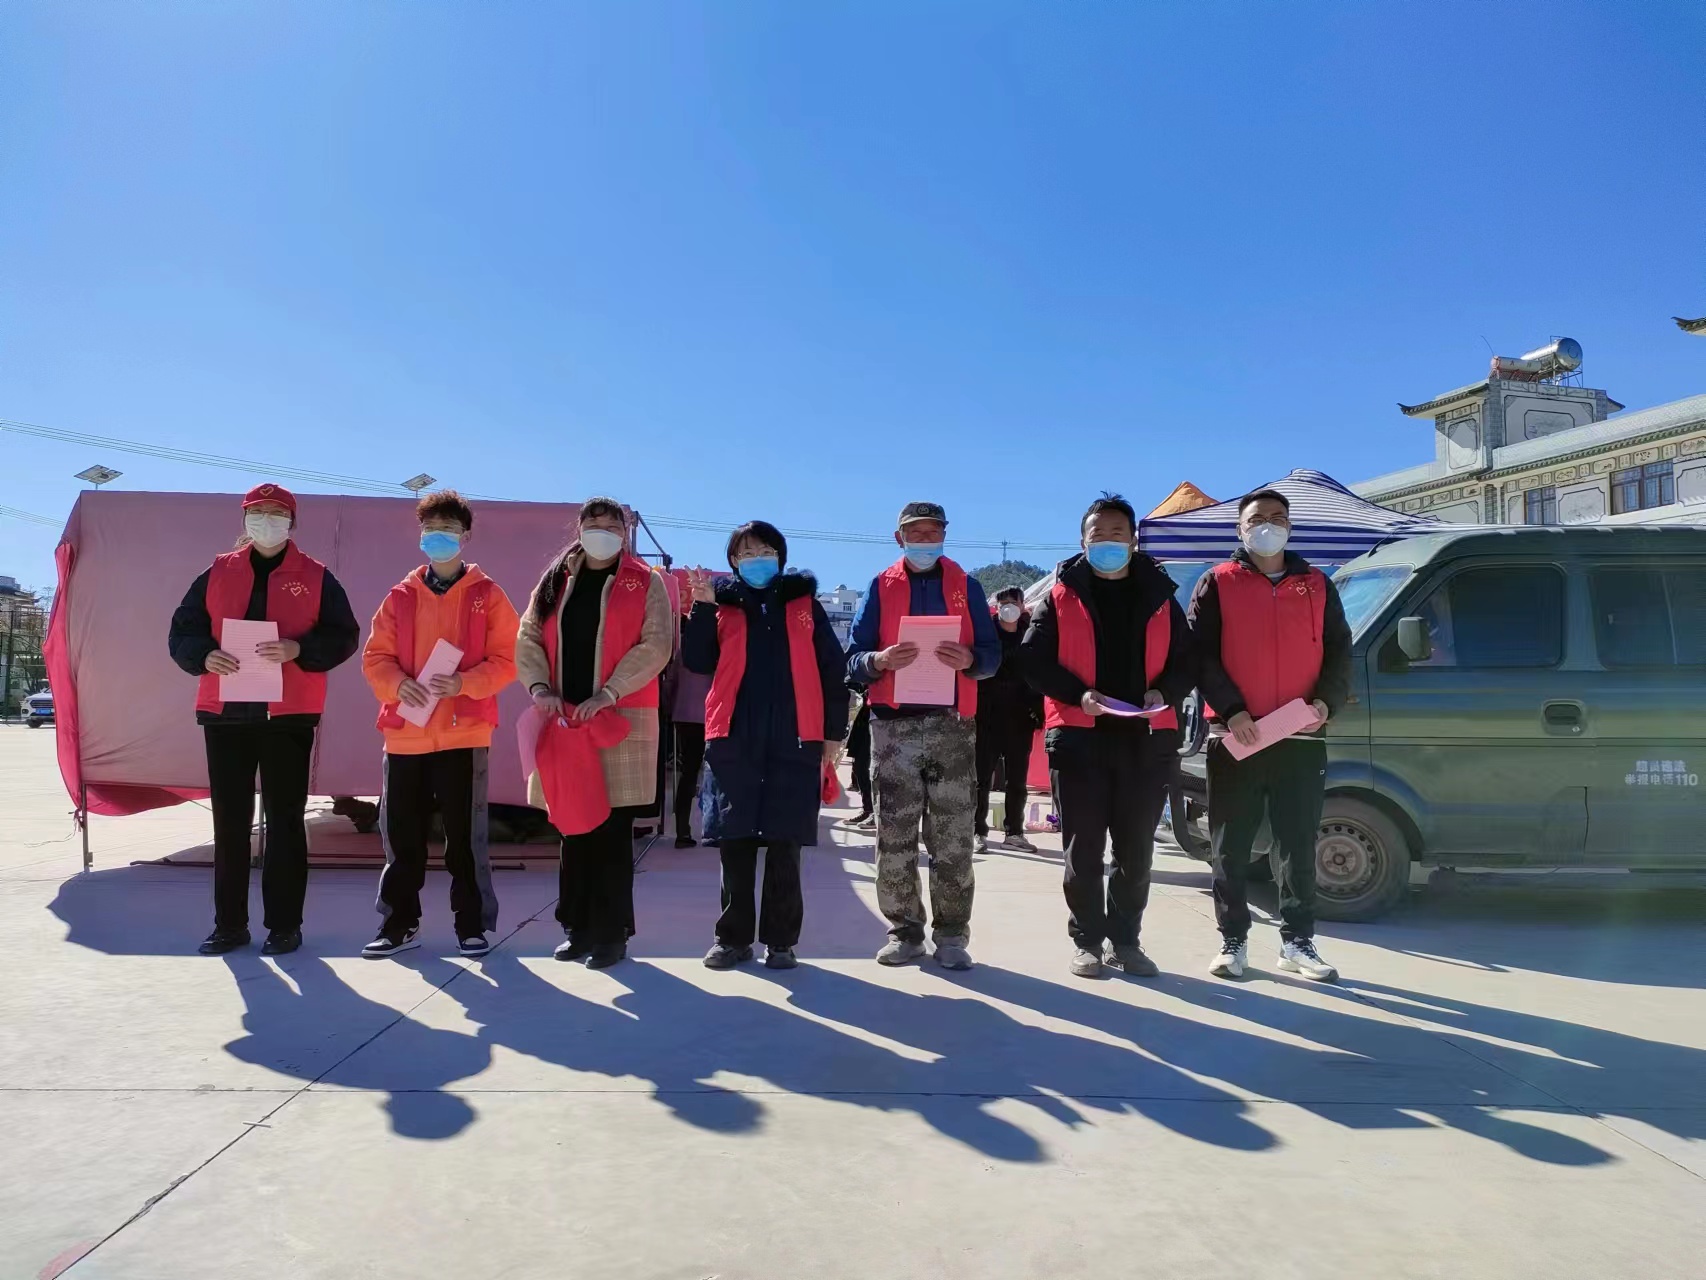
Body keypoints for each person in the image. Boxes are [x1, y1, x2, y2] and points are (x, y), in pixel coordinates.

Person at [167, 484, 361, 956]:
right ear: (244, 520)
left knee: (286, 821)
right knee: (230, 824)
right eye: (258, 513)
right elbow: (182, 631)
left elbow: (345, 635)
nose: (267, 521)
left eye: (276, 513)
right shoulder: (216, 571)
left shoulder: (316, 576)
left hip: (288, 716)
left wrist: (299, 649)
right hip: (225, 715)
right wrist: (204, 655)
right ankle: (229, 925)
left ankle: (284, 925)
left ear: (292, 522)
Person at [1021, 494, 1195, 980]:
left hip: (1145, 737)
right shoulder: (1060, 596)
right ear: (1083, 542)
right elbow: (1032, 662)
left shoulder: (1160, 596)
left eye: (1118, 533)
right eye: (1098, 535)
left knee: (1136, 850)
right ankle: (1087, 942)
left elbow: (1188, 660)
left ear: (1134, 540)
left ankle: (1126, 941)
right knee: (1083, 850)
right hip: (1081, 738)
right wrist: (1078, 695)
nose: (1108, 542)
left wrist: (1166, 691)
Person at [1187, 489, 1353, 982]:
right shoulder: (1217, 582)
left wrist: (1326, 703)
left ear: (1290, 527)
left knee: (1297, 842)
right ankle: (1233, 940)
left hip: (1301, 735)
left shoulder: (1317, 584)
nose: (1268, 525)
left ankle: (1298, 941)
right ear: (1239, 529)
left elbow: (1340, 651)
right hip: (1236, 735)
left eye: (1278, 518)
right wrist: (1232, 710)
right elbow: (1199, 655)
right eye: (1257, 518)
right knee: (1231, 844)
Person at [359, 490, 520, 959]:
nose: (438, 536)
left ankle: (472, 925)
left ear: (465, 536)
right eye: (431, 529)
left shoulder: (489, 595)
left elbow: (509, 659)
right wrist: (397, 685)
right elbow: (376, 658)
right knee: (401, 838)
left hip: (464, 733)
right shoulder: (399, 596)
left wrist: (466, 683)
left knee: (464, 839)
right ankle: (398, 924)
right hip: (405, 735)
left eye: (448, 529)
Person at [683, 521, 848, 970]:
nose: (757, 559)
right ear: (734, 562)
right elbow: (697, 660)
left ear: (780, 556)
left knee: (785, 842)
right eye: (747, 552)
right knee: (734, 840)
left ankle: (781, 942)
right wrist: (701, 609)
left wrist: (832, 734)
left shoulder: (803, 605)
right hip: (735, 734)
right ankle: (732, 939)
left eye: (765, 551)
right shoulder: (721, 605)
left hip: (795, 735)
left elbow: (833, 671)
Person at [515, 497, 672, 970]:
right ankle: (576, 928)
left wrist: (610, 691)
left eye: (612, 524)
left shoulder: (645, 581)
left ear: (624, 532)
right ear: (579, 528)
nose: (602, 530)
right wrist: (539, 686)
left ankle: (611, 933)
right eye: (593, 522)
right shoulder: (555, 579)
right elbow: (527, 635)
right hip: (564, 718)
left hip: (619, 716)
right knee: (572, 825)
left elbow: (656, 643)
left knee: (611, 829)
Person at [846, 501, 1000, 969]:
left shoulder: (967, 586)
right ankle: (904, 931)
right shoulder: (880, 586)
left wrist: (971, 660)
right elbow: (852, 659)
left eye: (934, 532)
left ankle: (951, 935)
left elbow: (992, 656)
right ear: (900, 538)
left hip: (952, 725)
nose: (926, 540)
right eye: (917, 533)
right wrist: (879, 660)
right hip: (893, 727)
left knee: (952, 837)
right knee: (894, 835)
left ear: (945, 536)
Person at [975, 586, 1043, 854]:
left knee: (1017, 780)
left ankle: (1014, 832)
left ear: (1022, 605)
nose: (1008, 607)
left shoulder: (1032, 633)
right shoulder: (985, 634)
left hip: (1020, 717)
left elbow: (1038, 673)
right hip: (987, 716)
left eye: (1013, 602)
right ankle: (977, 831)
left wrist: (1036, 709)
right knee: (981, 778)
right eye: (1002, 602)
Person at [670, 606, 713, 848]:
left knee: (687, 772)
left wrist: (669, 708)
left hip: (683, 716)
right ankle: (713, 827)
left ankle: (682, 831)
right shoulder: (716, 647)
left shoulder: (683, 649)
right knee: (714, 773)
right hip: (710, 718)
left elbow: (671, 682)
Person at [834, 690, 875, 830]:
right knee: (860, 767)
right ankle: (868, 809)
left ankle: (875, 812)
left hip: (882, 716)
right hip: (865, 715)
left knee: (869, 768)